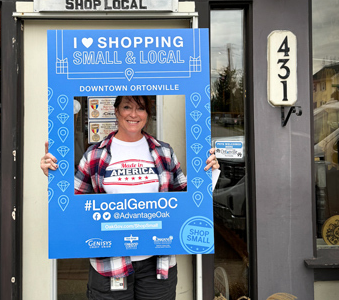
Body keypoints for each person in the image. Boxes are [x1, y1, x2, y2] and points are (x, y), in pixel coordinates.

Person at [41, 95, 220, 300]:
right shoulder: (94, 155)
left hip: (157, 264)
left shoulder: (164, 152)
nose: (134, 114)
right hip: (109, 264)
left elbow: (187, 198)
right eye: (127, 107)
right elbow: (72, 204)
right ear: (116, 111)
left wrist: (210, 173)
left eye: (141, 108)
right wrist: (53, 177)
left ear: (147, 114)